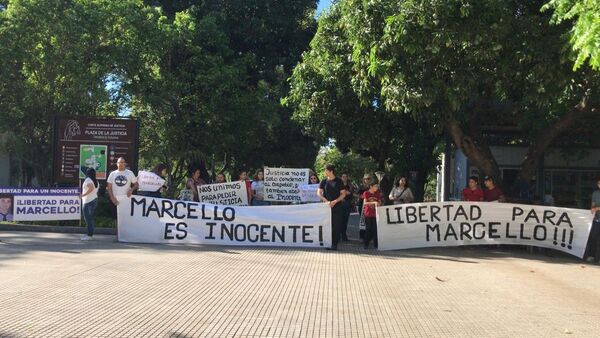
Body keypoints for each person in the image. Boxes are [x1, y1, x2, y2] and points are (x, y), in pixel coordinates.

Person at [318, 164, 347, 250]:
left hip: (337, 206)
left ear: (331, 171)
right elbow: (318, 193)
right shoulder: (323, 181)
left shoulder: (339, 181)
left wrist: (335, 201)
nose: (324, 172)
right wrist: (326, 201)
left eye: (326, 170)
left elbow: (343, 194)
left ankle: (334, 244)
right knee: (327, 225)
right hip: (326, 206)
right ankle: (328, 242)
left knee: (336, 225)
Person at [80, 168, 99, 241]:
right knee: (90, 218)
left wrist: (83, 195)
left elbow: (90, 188)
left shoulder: (88, 180)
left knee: (88, 219)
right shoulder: (96, 181)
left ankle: (89, 235)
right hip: (94, 200)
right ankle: (89, 233)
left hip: (88, 202)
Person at [584, 178, 600, 263]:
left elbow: (596, 208)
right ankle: (591, 256)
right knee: (593, 238)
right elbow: (592, 207)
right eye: (598, 183)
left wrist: (597, 208)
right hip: (596, 220)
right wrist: (594, 208)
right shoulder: (595, 193)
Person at [362, 182, 381, 249]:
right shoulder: (366, 193)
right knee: (368, 229)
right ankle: (366, 244)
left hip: (375, 214)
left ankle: (376, 245)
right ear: (371, 186)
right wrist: (374, 202)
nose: (377, 188)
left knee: (375, 229)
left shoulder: (377, 193)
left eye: (377, 186)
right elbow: (365, 203)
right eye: (375, 186)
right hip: (368, 214)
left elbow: (379, 202)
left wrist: (378, 203)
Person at [340, 173, 353, 241]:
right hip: (340, 204)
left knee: (345, 220)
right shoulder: (339, 185)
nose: (344, 178)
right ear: (341, 177)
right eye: (343, 176)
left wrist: (349, 193)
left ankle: (344, 235)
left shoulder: (350, 185)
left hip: (347, 203)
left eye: (345, 176)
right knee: (340, 220)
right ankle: (339, 235)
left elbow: (351, 194)